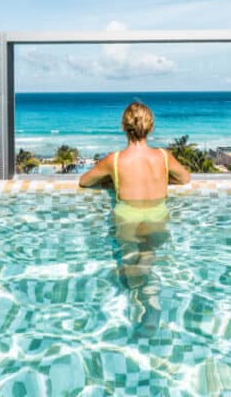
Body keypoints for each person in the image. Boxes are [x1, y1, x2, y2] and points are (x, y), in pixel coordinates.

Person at [79, 101, 191, 333]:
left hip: (127, 214)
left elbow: (84, 181)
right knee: (148, 253)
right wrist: (162, 179)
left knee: (129, 259)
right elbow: (185, 178)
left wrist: (111, 179)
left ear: (124, 127)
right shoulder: (163, 156)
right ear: (150, 127)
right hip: (157, 212)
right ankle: (152, 304)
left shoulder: (115, 160)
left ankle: (136, 305)